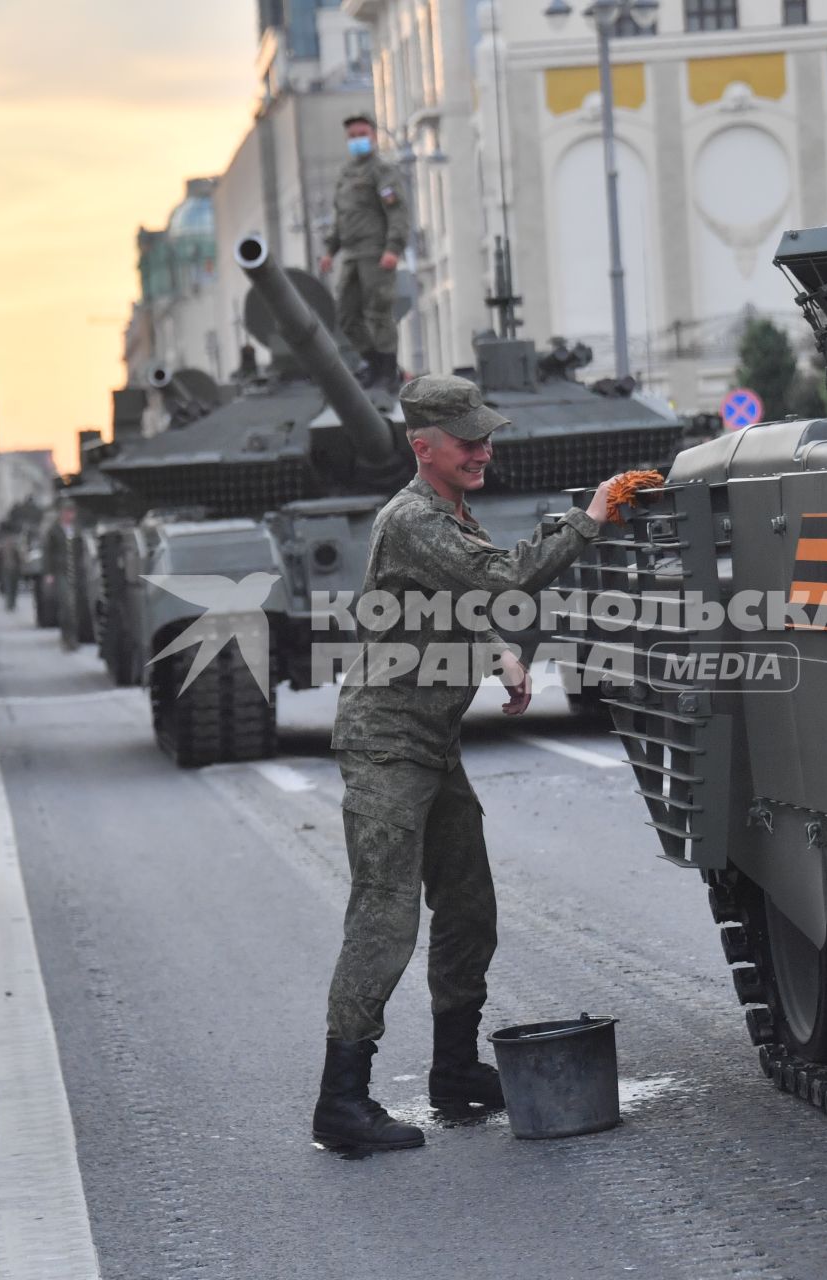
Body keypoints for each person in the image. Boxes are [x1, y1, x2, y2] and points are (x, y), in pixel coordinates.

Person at [310, 373, 631, 1153]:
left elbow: (462, 601)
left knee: (468, 908)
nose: (483, 450)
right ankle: (341, 1102)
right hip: (389, 742)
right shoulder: (413, 517)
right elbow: (507, 578)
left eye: (487, 435)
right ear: (424, 448)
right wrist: (592, 518)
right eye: (467, 440)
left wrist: (500, 659)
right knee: (384, 919)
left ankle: (453, 1074)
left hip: (430, 740)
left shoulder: (449, 510)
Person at [318, 114, 410, 391]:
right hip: (352, 255)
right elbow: (341, 218)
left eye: (362, 134)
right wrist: (329, 251)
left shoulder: (382, 172)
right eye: (352, 136)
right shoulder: (345, 175)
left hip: (376, 253)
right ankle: (373, 362)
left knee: (378, 312)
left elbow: (397, 212)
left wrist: (393, 248)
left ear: (373, 136)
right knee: (346, 315)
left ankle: (388, 369)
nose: (357, 139)